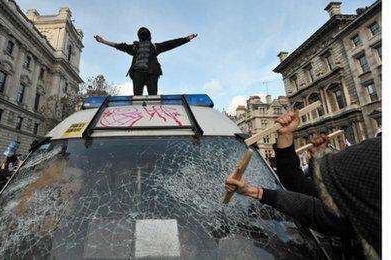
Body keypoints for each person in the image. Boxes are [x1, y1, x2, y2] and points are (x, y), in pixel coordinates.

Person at [225, 111, 381, 259]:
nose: (339, 194)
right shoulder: (354, 214)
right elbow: (300, 189)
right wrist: (253, 191)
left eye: (341, 185)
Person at [94, 27, 197, 95]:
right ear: (139, 37)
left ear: (149, 36)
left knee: (153, 97)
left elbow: (171, 43)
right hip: (138, 73)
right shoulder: (134, 47)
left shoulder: (155, 47)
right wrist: (103, 41)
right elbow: (120, 46)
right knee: (137, 98)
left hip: (152, 73)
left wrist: (186, 39)